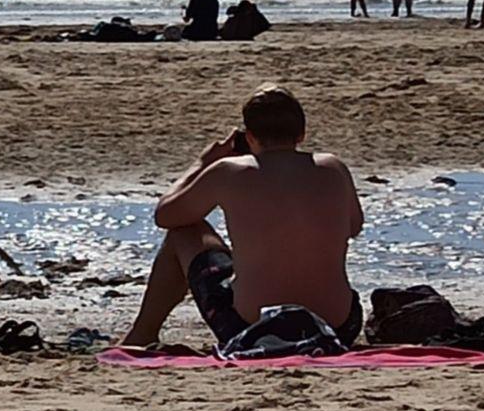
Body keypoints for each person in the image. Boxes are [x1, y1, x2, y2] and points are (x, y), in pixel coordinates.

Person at [118, 86, 364, 350]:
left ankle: (143, 333)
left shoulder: (229, 171)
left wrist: (202, 163)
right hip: (338, 327)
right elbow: (353, 226)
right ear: (301, 134)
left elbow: (166, 215)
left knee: (183, 231)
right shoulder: (333, 167)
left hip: (252, 327)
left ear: (250, 137)